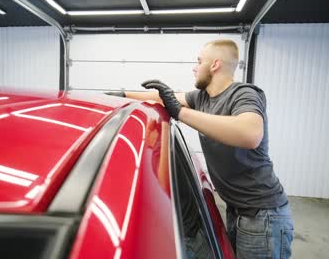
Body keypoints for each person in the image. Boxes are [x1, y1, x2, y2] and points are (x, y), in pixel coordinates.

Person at [106, 39, 294, 259]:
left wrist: (182, 114)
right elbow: (163, 98)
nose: (194, 68)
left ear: (214, 65)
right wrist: (122, 96)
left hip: (263, 215)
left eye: (198, 61)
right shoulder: (202, 97)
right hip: (238, 209)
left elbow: (250, 134)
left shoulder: (244, 93)